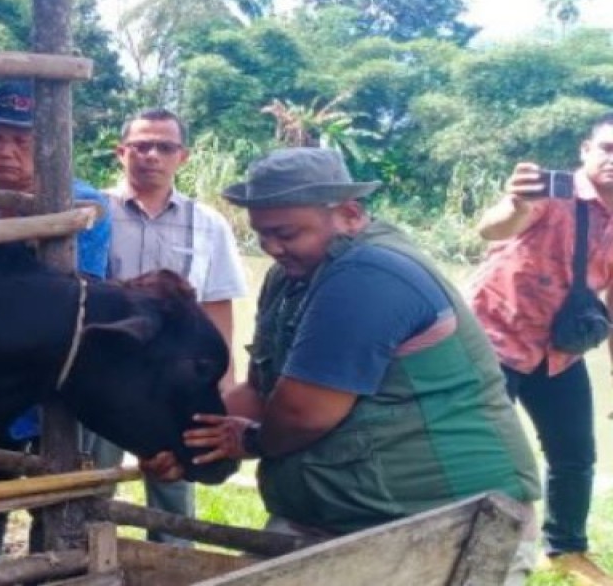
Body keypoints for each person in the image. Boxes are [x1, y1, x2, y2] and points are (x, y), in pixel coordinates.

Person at [142, 148, 540, 582]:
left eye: (288, 234)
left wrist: (248, 442)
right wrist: (189, 444)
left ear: (349, 214)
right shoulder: (289, 277)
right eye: (262, 236)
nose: (273, 249)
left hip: (446, 524)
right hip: (331, 521)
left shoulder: (368, 273)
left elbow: (301, 414)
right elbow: (258, 390)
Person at [0, 81, 111, 567]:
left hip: (53, 371)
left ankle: (47, 571)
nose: (4, 151)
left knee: (53, 486)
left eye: (22, 140)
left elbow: (69, 300)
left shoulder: (83, 206)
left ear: (50, 145)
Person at [468, 112, 613, 584]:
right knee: (489, 455)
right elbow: (492, 230)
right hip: (495, 339)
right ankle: (473, 544)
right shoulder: (551, 193)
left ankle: (565, 549)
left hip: (559, 353)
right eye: (608, 149)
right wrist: (514, 203)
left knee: (575, 453)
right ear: (585, 151)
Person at [90, 108, 246, 544]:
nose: (151, 155)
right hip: (103, 377)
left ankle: (174, 565)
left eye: (164, 147)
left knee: (174, 480)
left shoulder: (208, 224)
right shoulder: (91, 211)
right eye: (140, 146)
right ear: (121, 153)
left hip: (172, 384)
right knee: (88, 479)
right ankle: (74, 565)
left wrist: (224, 389)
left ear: (184, 156)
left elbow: (217, 307)